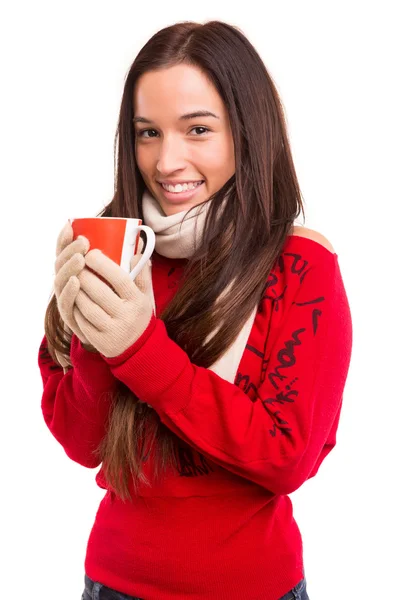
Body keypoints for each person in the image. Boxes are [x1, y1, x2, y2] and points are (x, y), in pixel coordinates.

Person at [38, 20, 353, 600]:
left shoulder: (301, 266)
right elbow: (84, 446)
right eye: (148, 133)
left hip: (257, 588)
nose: (165, 161)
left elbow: (287, 457)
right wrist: (88, 329)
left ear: (246, 132)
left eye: (198, 130)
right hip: (115, 583)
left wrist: (141, 350)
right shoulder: (117, 249)